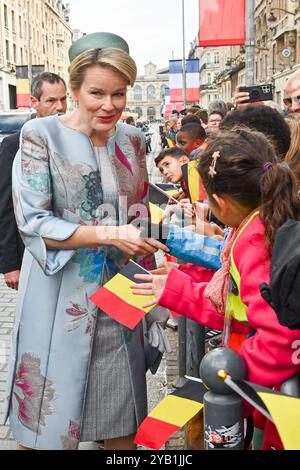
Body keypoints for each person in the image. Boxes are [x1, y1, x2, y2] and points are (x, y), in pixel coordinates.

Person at [5, 32, 169, 451]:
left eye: (119, 94)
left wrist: (162, 235)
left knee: (123, 421)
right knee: (47, 424)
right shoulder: (40, 135)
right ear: (75, 89)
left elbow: (138, 206)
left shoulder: (132, 140)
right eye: (97, 92)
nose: (109, 105)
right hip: (59, 300)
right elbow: (34, 221)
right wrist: (111, 234)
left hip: (120, 296)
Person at [132, 128, 300, 449]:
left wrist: (233, 380)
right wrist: (173, 288)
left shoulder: (254, 242)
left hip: (277, 403)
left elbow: (281, 335)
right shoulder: (260, 224)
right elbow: (232, 304)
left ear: (219, 202)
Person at [0, 72, 67, 290]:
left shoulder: (76, 138)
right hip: (32, 251)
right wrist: (10, 264)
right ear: (34, 102)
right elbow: (6, 206)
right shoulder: (14, 145)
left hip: (72, 250)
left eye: (63, 99)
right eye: (51, 100)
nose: (60, 107)